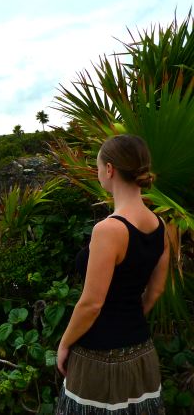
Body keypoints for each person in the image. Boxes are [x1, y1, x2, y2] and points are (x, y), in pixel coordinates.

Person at [55, 134, 169, 414]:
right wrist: (130, 318)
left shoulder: (108, 230)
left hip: (98, 359)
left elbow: (92, 303)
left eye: (98, 167)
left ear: (110, 170)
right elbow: (155, 291)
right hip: (141, 355)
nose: (97, 174)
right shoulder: (161, 226)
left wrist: (64, 343)